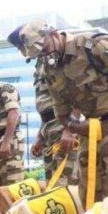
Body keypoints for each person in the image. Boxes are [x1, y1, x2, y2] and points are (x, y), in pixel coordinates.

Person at [8, 19, 108, 201]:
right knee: (88, 190)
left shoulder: (92, 45)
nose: (43, 56)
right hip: (88, 128)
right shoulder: (50, 69)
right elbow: (61, 111)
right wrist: (74, 127)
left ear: (53, 33)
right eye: (37, 55)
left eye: (43, 50)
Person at [29, 57, 78, 187]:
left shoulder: (59, 56)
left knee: (64, 186)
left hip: (63, 126)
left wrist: (70, 130)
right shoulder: (40, 63)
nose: (23, 49)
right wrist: (40, 137)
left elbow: (77, 94)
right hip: (48, 128)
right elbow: (45, 110)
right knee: (51, 184)